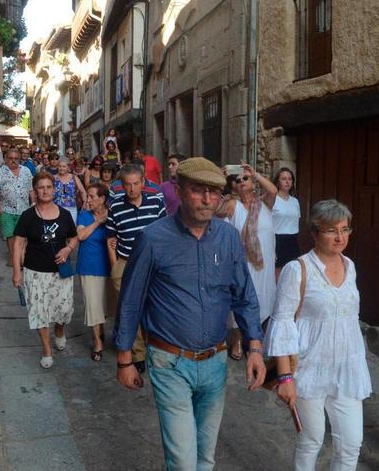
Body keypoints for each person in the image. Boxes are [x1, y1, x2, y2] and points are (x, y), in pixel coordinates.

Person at [114, 157, 266, 471]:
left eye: (214, 192)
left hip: (215, 362)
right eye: (198, 191)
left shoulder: (226, 237)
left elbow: (244, 295)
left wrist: (254, 347)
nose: (207, 199)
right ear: (179, 191)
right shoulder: (153, 239)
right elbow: (131, 300)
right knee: (183, 461)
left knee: (205, 458)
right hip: (170, 362)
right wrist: (125, 358)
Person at [267, 199, 370, 470]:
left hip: (347, 368)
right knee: (311, 440)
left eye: (345, 229)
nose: (340, 237)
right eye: (331, 230)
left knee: (351, 444)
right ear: (314, 232)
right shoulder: (297, 269)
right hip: (309, 370)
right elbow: (282, 322)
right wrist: (285, 376)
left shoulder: (351, 267)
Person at [12, 172, 78, 369]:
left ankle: (59, 331)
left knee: (63, 310)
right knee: (39, 312)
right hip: (35, 272)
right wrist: (17, 271)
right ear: (35, 191)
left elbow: (73, 238)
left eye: (49, 187)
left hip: (61, 273)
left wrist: (67, 249)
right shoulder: (27, 216)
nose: (45, 191)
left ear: (54, 189)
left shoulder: (65, 215)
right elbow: (18, 245)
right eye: (41, 187)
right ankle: (47, 350)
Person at [106, 163, 166, 372]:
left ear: (143, 183)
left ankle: (156, 350)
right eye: (127, 185)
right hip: (125, 264)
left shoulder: (156, 204)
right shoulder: (115, 207)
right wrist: (116, 268)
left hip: (152, 266)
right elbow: (111, 238)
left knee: (154, 308)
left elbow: (164, 236)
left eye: (135, 184)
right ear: (122, 185)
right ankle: (138, 355)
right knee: (129, 311)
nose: (132, 189)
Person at [217, 163, 277, 360]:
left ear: (253, 183)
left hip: (263, 263)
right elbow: (212, 208)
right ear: (232, 186)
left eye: (245, 178)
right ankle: (237, 339)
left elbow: (273, 189)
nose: (241, 181)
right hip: (242, 263)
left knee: (263, 298)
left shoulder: (264, 203)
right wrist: (219, 177)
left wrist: (256, 173)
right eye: (237, 180)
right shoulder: (232, 205)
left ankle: (256, 340)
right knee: (240, 298)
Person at [76, 183, 111, 361]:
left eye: (91, 196)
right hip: (89, 266)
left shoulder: (112, 215)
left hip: (108, 266)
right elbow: (81, 236)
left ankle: (101, 330)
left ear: (102, 199)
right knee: (92, 306)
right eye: (87, 196)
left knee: (104, 306)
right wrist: (98, 222)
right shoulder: (84, 215)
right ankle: (97, 343)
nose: (87, 200)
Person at [0, 147, 35, 267]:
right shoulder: (0, 172)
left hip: (24, 209)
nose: (13, 161)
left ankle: (20, 257)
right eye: (10, 158)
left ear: (19, 159)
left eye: (16, 159)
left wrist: (33, 203)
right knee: (10, 235)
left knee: (22, 235)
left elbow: (31, 189)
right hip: (6, 210)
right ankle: (13, 255)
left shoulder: (26, 171)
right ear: (5, 159)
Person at [271, 167, 301, 279]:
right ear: (278, 181)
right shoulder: (273, 200)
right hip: (277, 240)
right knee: (278, 276)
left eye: (290, 179)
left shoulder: (295, 201)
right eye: (284, 179)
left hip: (292, 241)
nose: (287, 181)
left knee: (292, 274)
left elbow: (295, 222)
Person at [53, 158, 87, 224]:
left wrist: (84, 202)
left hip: (71, 209)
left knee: (71, 230)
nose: (61, 168)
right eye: (60, 166)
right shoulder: (53, 178)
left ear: (68, 167)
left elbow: (82, 191)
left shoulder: (74, 177)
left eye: (64, 166)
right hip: (56, 209)